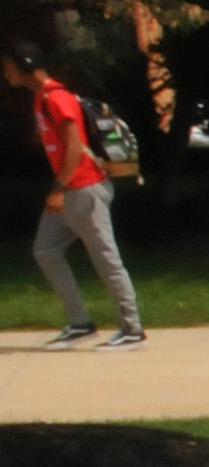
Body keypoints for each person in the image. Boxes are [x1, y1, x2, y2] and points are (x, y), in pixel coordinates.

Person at [10, 47, 143, 348]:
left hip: (83, 189)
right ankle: (80, 323)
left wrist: (58, 188)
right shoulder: (41, 97)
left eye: (9, 67)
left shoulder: (57, 98)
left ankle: (133, 330)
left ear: (26, 65)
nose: (6, 73)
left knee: (106, 259)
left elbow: (74, 146)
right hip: (71, 191)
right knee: (45, 251)